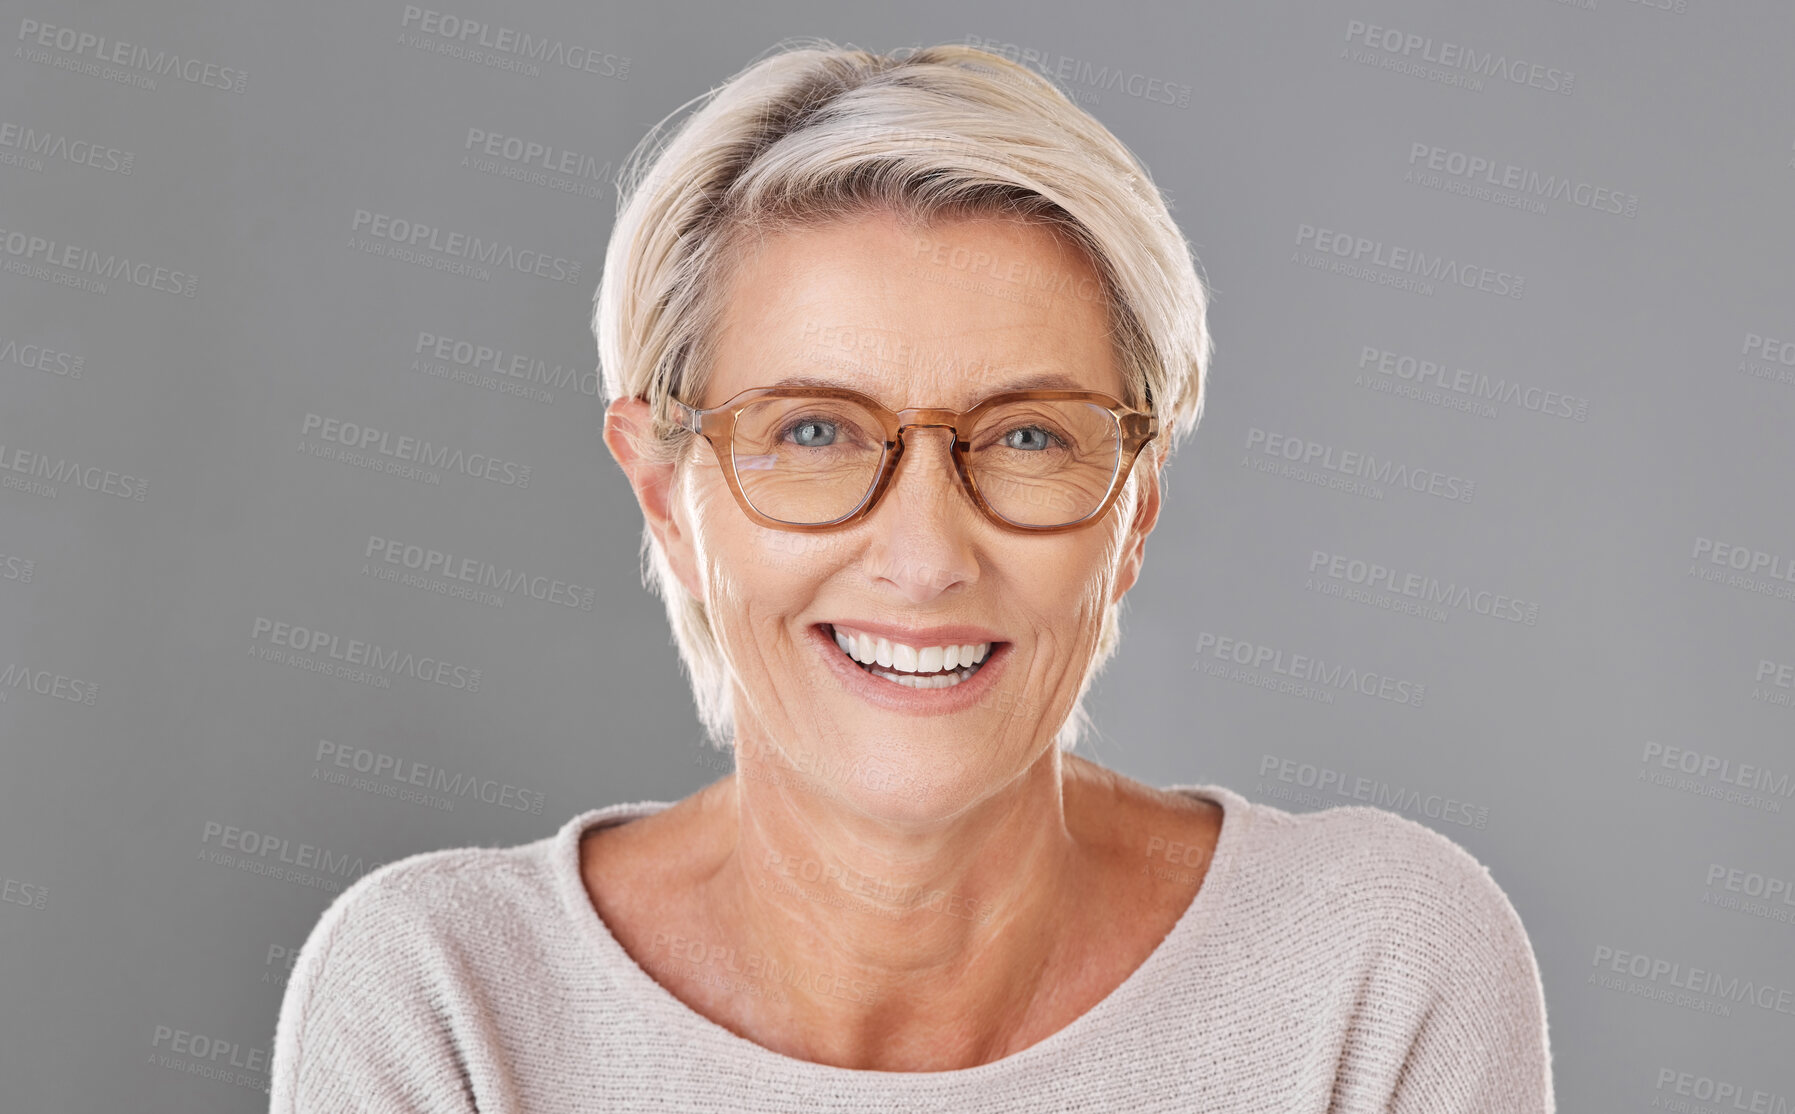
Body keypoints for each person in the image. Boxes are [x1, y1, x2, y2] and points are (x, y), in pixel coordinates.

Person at [268, 40, 1555, 1112]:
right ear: (665, 493)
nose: (929, 556)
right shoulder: (444, 1001)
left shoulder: (1375, 973)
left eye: (1031, 436)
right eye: (814, 431)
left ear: (1138, 508)